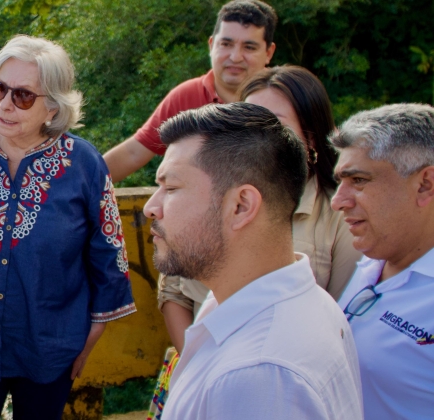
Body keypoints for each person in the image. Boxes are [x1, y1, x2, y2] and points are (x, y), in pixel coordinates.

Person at [0, 35, 137, 420]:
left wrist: (89, 338)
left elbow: (108, 253)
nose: (4, 104)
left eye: (23, 96)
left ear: (52, 106)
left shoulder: (84, 164)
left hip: (51, 346)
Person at [146, 103, 362, 419]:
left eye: (172, 188)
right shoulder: (253, 300)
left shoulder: (257, 376)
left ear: (241, 206)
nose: (152, 207)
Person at [157, 66, 364, 354]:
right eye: (244, 125)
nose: (252, 139)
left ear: (311, 139)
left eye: (272, 127)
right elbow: (174, 291)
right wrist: (197, 360)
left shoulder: (340, 214)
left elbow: (344, 315)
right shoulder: (206, 195)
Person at [331, 104, 434, 419]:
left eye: (359, 180)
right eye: (340, 181)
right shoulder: (375, 260)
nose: (338, 201)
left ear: (425, 184)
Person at [103, 0, 277, 182]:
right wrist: (79, 185)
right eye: (226, 44)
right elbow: (133, 153)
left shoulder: (287, 98)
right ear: (211, 45)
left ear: (269, 53)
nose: (235, 57)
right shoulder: (186, 97)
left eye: (249, 47)